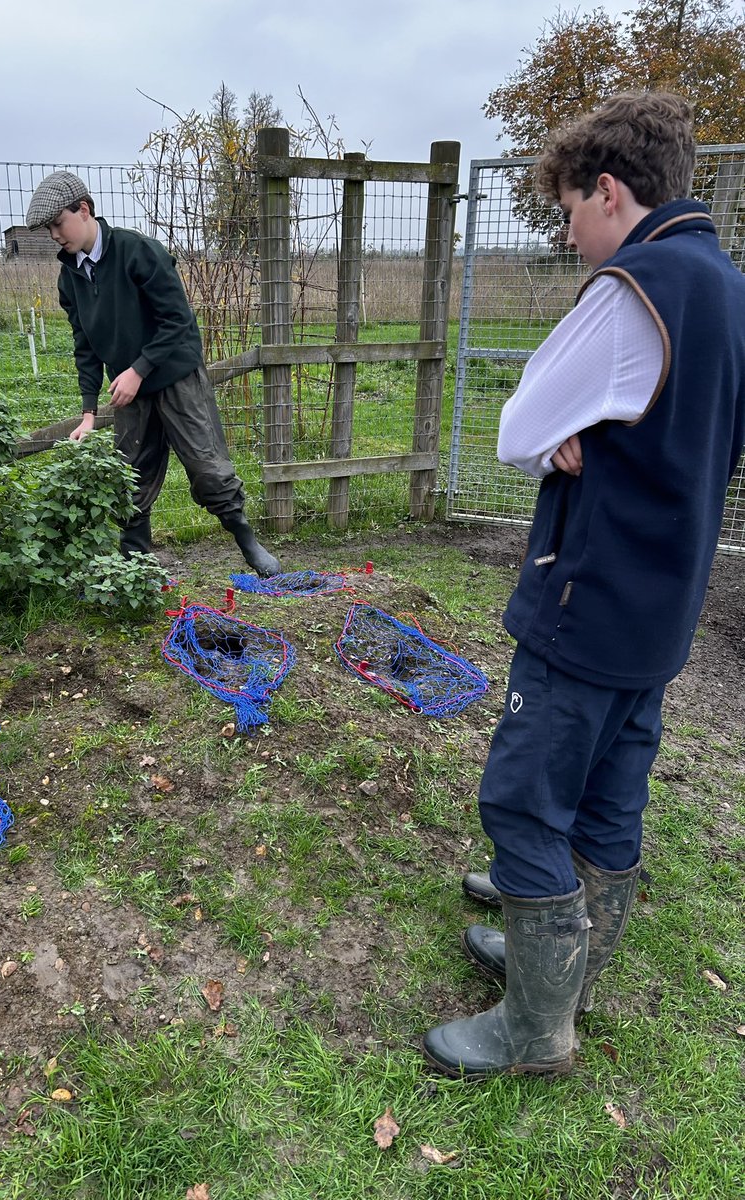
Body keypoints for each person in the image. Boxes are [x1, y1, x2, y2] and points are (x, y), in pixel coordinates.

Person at [423, 92, 745, 1078]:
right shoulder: (727, 286)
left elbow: (520, 425)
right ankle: (564, 973)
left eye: (569, 211)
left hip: (589, 598)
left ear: (611, 192)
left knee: (523, 803)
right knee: (610, 798)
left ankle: (534, 1031)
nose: (568, 236)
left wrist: (566, 435)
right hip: (663, 603)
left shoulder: (632, 289)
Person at [25, 171, 281, 576]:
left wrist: (138, 370)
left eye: (58, 223)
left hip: (176, 377)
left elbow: (178, 321)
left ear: (84, 210)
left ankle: (248, 543)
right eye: (48, 228)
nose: (54, 235)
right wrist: (89, 412)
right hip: (132, 392)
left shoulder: (138, 252)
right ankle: (135, 569)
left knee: (208, 470)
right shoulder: (69, 278)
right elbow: (86, 345)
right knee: (131, 478)